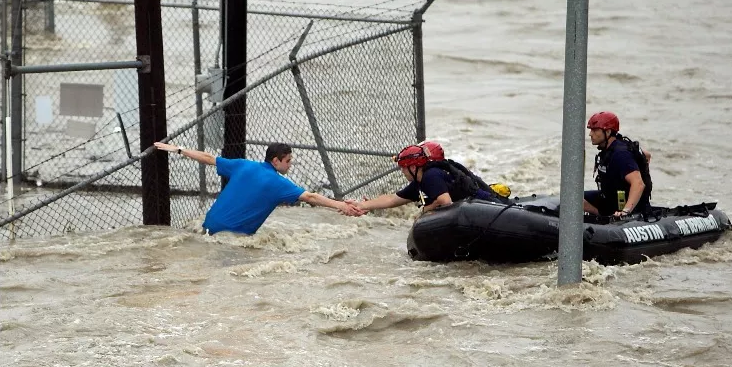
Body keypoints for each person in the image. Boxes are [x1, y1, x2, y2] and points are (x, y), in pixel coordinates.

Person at [153, 141, 364, 235]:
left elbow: (208, 158)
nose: (291, 164)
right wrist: (341, 206)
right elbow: (310, 197)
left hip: (208, 227)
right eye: (288, 161)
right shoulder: (279, 183)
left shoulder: (242, 164)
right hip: (231, 238)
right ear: (275, 161)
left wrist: (178, 149)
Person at [351, 142, 503, 214]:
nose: (402, 171)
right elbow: (392, 199)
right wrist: (362, 206)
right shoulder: (420, 181)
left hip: (488, 208)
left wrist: (425, 209)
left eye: (404, 167)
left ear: (413, 167)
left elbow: (445, 202)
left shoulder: (431, 176)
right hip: (476, 211)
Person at [583, 111, 653, 218]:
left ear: (608, 132)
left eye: (595, 130)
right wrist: (642, 168)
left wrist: (625, 211)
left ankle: (607, 216)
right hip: (610, 198)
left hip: (627, 206)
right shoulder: (610, 149)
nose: (590, 134)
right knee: (573, 198)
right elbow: (646, 155)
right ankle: (603, 216)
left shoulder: (621, 154)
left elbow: (638, 184)